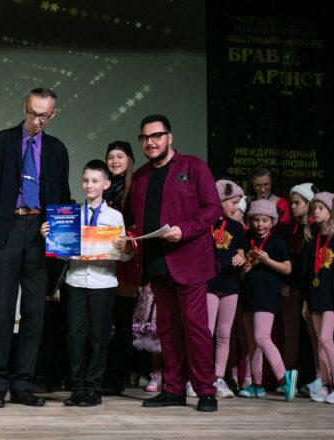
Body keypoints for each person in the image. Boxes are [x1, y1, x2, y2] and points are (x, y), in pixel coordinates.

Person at [0, 88, 71, 408]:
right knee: (0, 311)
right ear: (24, 106)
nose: (36, 121)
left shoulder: (57, 149)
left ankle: (23, 384)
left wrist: (62, 234)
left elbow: (62, 195)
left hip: (40, 233)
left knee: (34, 314)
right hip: (6, 231)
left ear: (53, 114)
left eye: (44, 116)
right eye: (32, 113)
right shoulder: (0, 142)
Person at [123, 114, 221, 412]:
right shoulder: (140, 177)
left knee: (195, 328)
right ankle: (174, 389)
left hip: (189, 262)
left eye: (156, 136)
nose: (150, 142)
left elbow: (213, 208)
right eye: (145, 138)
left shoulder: (193, 167)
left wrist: (184, 230)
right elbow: (130, 219)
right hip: (155, 263)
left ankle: (206, 391)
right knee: (167, 330)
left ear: (169, 137)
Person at [41, 160, 132, 406]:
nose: (89, 185)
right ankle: (77, 386)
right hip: (76, 281)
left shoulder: (115, 216)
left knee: (99, 337)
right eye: (85, 180)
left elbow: (123, 256)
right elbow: (63, 254)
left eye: (94, 181)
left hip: (104, 282)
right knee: (75, 336)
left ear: (106, 184)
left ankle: (93, 388)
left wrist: (125, 248)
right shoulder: (71, 215)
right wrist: (51, 237)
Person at [239, 199, 298, 402]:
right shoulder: (247, 239)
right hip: (249, 295)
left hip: (267, 296)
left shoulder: (276, 242)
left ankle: (284, 378)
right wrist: (245, 269)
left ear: (272, 222)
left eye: (264, 220)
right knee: (252, 342)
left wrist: (266, 260)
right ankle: (257, 385)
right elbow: (241, 272)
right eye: (256, 220)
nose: (260, 224)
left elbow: (287, 268)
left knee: (262, 337)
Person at [300, 192, 334, 404]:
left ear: (332, 212)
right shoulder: (313, 240)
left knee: (325, 338)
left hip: (333, 299)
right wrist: (306, 300)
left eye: (320, 208)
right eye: (314, 208)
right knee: (319, 342)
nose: (316, 212)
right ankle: (325, 385)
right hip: (315, 297)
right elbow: (307, 274)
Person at [101, 140, 142, 396]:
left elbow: (140, 225)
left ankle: (116, 379)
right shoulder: (102, 187)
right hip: (102, 259)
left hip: (125, 259)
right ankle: (100, 374)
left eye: (120, 156)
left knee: (122, 321)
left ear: (129, 160)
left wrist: (127, 239)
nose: (115, 161)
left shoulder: (135, 187)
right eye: (111, 157)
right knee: (103, 322)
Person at [204, 179, 247, 399]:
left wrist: (241, 259)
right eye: (233, 202)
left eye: (238, 203)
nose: (236, 207)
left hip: (230, 284)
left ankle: (219, 377)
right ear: (220, 199)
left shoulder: (237, 227)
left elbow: (242, 253)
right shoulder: (205, 223)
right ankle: (200, 377)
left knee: (224, 334)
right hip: (209, 283)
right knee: (206, 332)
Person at [284, 183, 321, 396]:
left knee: (316, 335)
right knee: (294, 334)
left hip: (311, 290)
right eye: (292, 203)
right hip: (294, 289)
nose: (293, 207)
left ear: (309, 204)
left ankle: (320, 377)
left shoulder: (316, 231)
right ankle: (290, 379)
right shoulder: (293, 230)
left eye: (297, 203)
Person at [249, 164, 291, 234]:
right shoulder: (247, 202)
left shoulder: (282, 204)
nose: (262, 189)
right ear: (252, 184)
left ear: (272, 183)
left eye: (266, 184)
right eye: (258, 185)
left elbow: (282, 230)